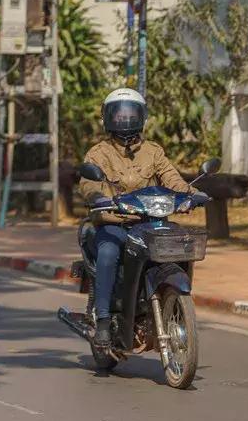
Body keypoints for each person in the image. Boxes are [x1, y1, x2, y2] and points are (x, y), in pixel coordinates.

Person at [79, 88, 200, 349]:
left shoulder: (153, 152)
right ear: (108, 118)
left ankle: (165, 300)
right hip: (114, 223)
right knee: (109, 253)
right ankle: (102, 322)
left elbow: (172, 178)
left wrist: (192, 193)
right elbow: (88, 183)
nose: (125, 121)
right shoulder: (98, 153)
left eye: (130, 115)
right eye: (119, 115)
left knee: (178, 246)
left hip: (149, 224)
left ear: (141, 117)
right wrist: (98, 197)